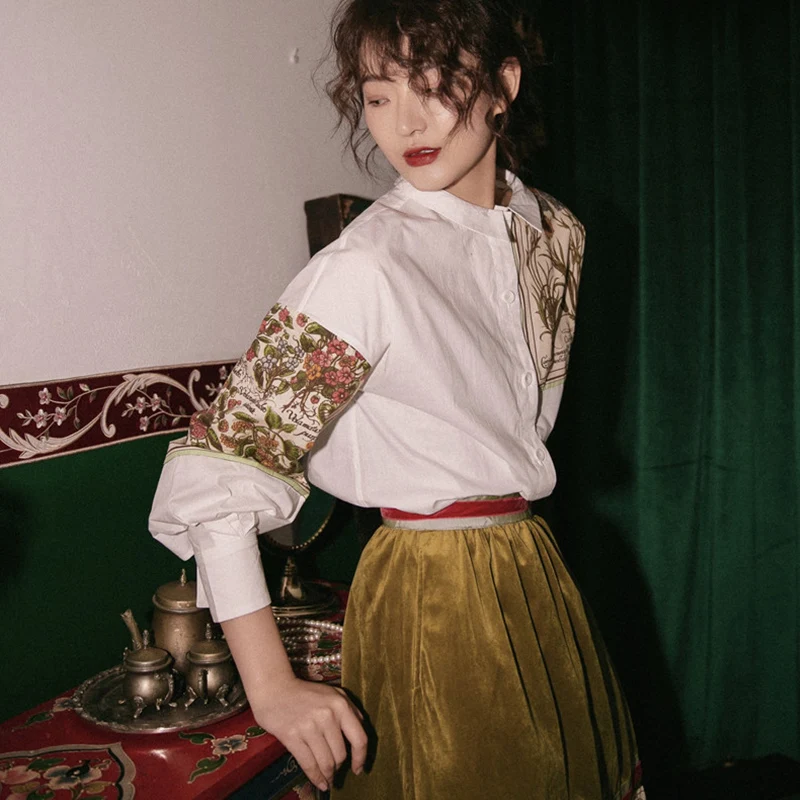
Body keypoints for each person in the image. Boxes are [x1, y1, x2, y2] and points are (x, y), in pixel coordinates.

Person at [149, 0, 645, 797]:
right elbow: (223, 466)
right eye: (379, 96)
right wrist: (271, 686)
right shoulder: (366, 266)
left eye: (435, 84)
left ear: (503, 84)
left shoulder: (557, 235)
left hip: (534, 565)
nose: (405, 122)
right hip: (430, 585)